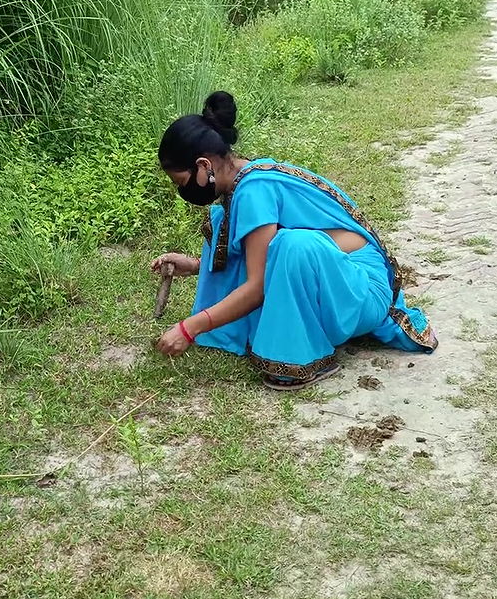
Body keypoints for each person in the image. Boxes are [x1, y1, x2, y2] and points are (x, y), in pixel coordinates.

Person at [151, 91, 437, 390]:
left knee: (291, 246)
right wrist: (197, 265)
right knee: (233, 225)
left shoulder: (253, 190)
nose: (183, 192)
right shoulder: (242, 179)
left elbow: (258, 286)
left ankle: (298, 356)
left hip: (361, 290)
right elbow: (255, 252)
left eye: (182, 182)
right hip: (335, 278)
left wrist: (189, 328)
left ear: (203, 165)